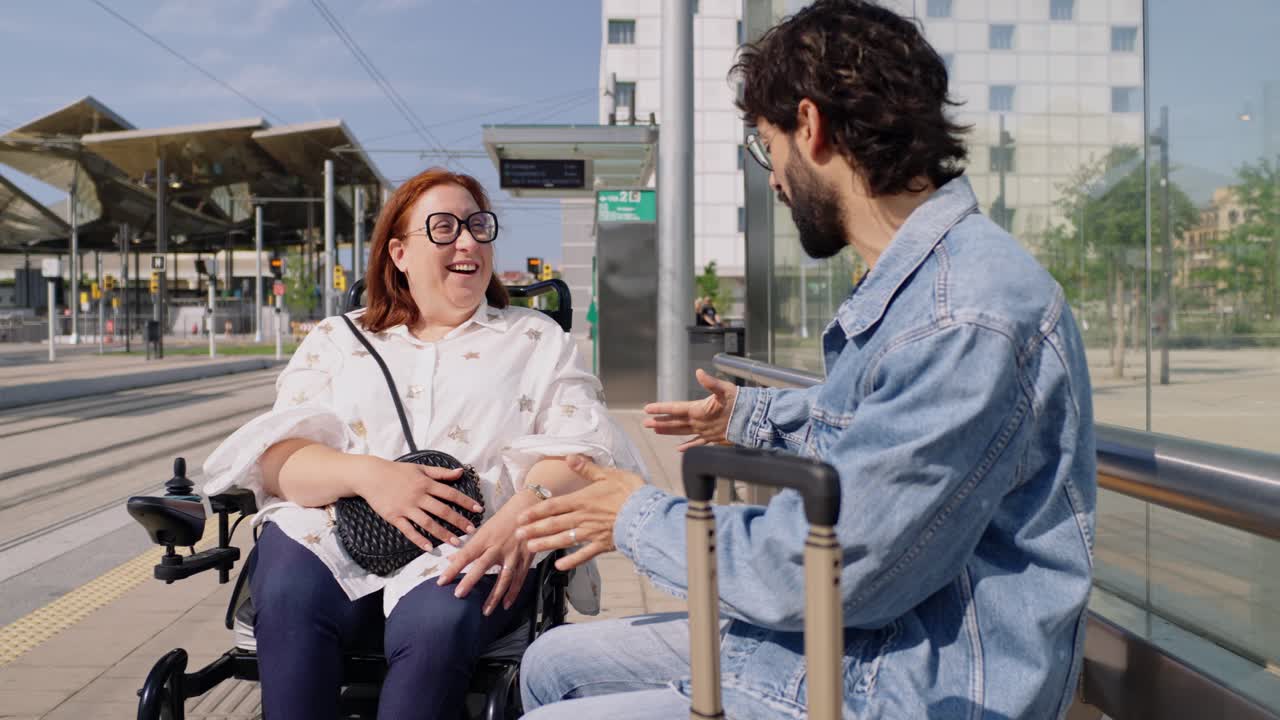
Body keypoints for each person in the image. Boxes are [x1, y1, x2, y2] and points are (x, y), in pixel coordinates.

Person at [515, 1, 1096, 718]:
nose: (772, 179)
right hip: (855, 645)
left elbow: (832, 564)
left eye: (766, 146)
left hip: (901, 683)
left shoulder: (962, 311)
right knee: (550, 664)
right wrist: (753, 418)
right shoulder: (923, 285)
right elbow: (879, 436)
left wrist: (637, 517)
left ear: (811, 127)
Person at [202, 168, 641, 720]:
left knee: (438, 618)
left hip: (472, 545)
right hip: (340, 536)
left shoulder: (533, 339)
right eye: (444, 227)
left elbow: (583, 449)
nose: (467, 241)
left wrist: (523, 513)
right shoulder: (339, 340)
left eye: (478, 226)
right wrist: (371, 476)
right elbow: (279, 461)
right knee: (288, 584)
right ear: (399, 253)